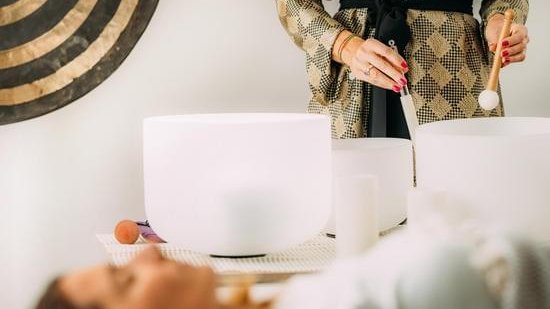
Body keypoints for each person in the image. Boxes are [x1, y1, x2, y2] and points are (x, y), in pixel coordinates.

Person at [276, 0, 529, 139]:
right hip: (357, 61)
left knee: (459, 206)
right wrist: (344, 45)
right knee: (354, 207)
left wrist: (500, 20)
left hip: (455, 63)